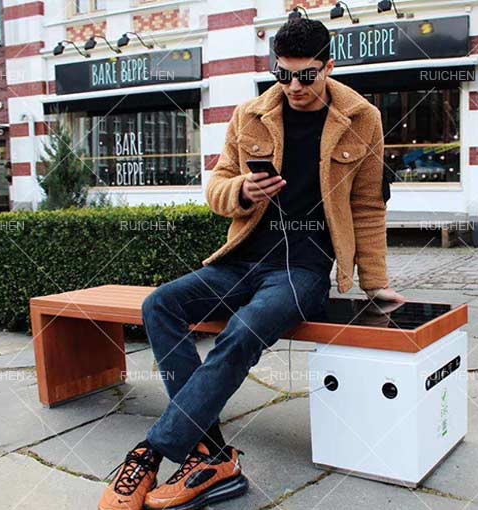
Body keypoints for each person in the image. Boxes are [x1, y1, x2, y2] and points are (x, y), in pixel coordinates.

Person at [98, 17, 405, 510]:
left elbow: (368, 205)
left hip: (302, 271)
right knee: (161, 305)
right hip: (240, 261)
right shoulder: (250, 114)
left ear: (329, 65)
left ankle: (152, 451)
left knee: (241, 330)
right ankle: (212, 455)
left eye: (306, 75)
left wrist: (376, 282)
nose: (294, 86)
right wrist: (240, 190)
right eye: (283, 74)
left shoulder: (362, 117)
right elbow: (215, 187)